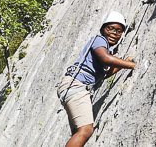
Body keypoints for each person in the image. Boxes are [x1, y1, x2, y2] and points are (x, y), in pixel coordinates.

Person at [57, 11, 136, 147]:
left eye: (118, 31)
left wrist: (123, 63)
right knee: (85, 130)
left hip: (73, 87)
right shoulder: (99, 40)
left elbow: (104, 75)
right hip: (76, 86)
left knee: (78, 132)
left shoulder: (104, 49)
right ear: (103, 29)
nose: (114, 33)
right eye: (110, 28)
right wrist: (131, 65)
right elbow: (106, 58)